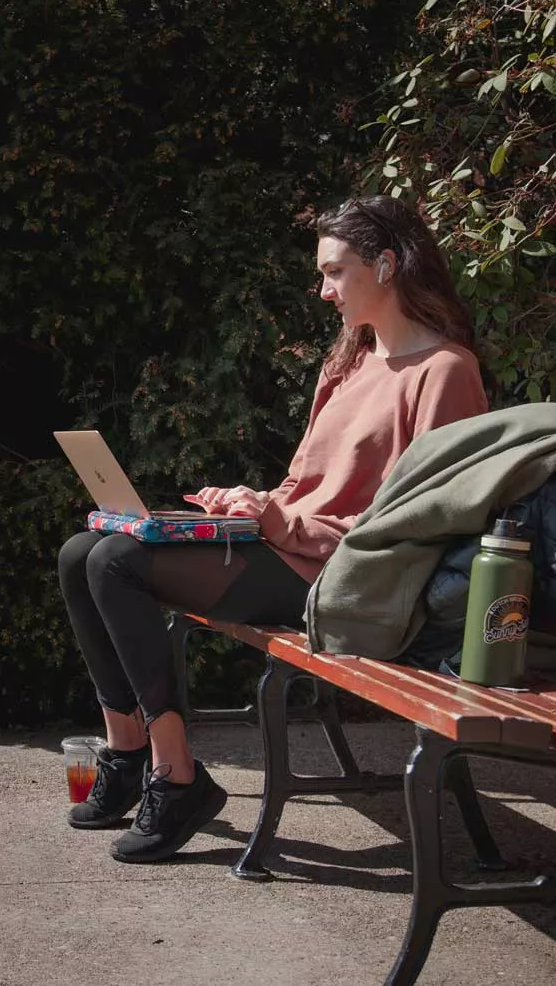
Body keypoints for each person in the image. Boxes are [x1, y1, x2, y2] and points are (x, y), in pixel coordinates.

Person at [57, 196, 489, 863]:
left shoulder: (446, 374)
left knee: (116, 561)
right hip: (288, 549)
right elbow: (304, 487)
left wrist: (282, 522)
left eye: (335, 272)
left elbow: (421, 523)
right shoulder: (349, 362)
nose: (323, 291)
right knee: (79, 552)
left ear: (387, 265)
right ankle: (126, 753)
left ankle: (176, 781)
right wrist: (249, 506)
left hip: (347, 577)